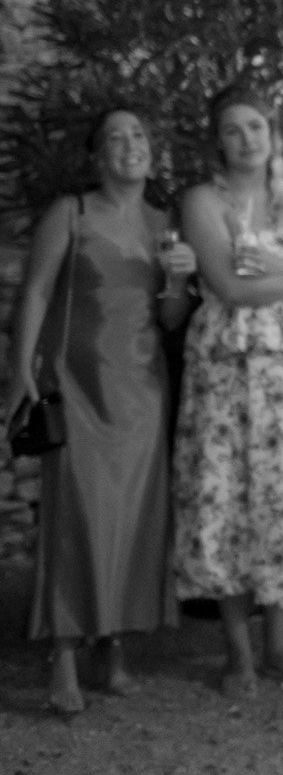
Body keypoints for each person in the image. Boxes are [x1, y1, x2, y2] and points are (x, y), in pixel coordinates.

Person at [4, 108, 197, 715]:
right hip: (76, 385)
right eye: (114, 137)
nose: (128, 145)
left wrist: (177, 283)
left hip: (143, 390)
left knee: (134, 521)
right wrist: (19, 373)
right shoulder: (73, 212)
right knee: (75, 517)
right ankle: (63, 655)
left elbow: (170, 322)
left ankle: (111, 650)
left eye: (138, 135)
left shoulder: (167, 224)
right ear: (96, 156)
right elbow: (35, 291)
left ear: (152, 151)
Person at [171, 83, 283, 695]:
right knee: (225, 500)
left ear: (273, 134)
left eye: (257, 126)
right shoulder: (200, 200)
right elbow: (228, 287)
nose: (248, 138)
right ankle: (238, 654)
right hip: (225, 373)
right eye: (233, 129)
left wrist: (274, 272)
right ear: (216, 141)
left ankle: (278, 645)